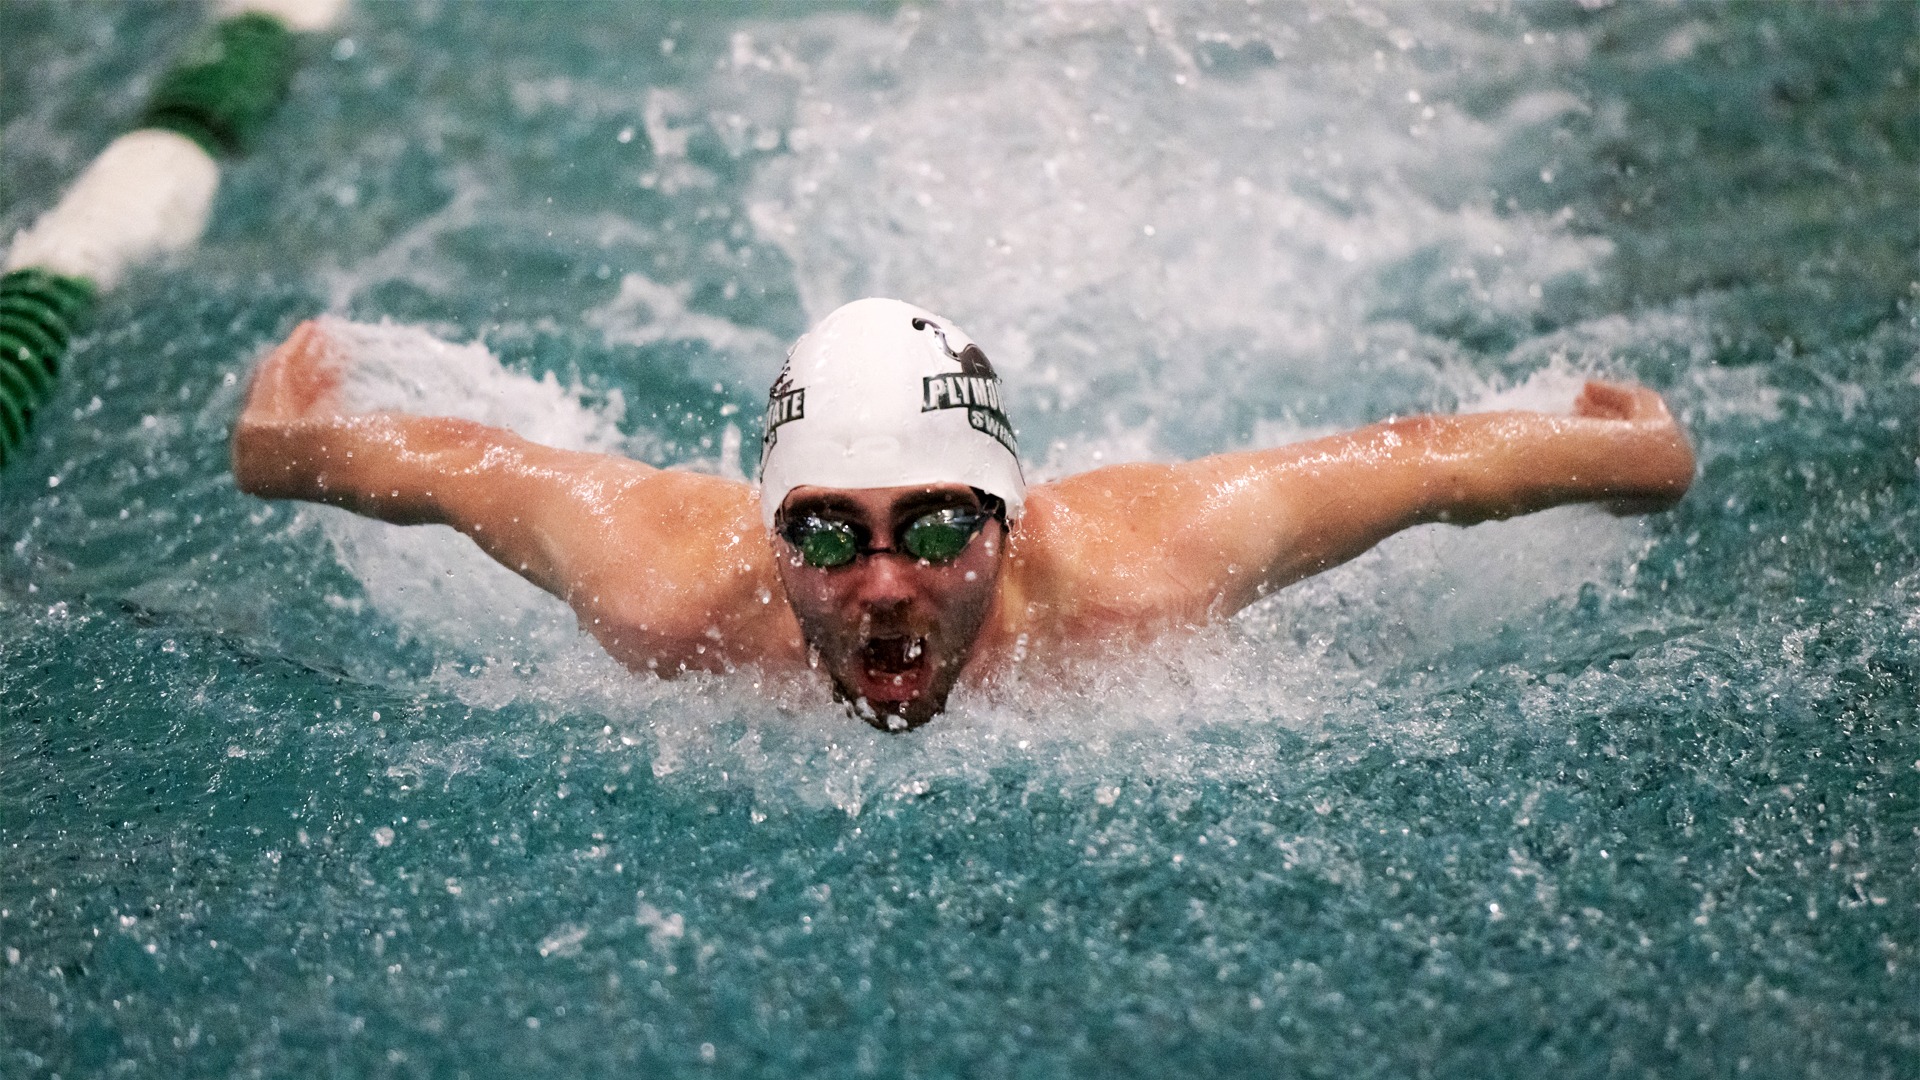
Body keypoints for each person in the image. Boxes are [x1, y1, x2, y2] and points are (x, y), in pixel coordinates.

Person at [231, 298, 1695, 730]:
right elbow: (451, 469)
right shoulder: (662, 585)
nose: (881, 584)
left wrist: (1643, 453)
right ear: (770, 530)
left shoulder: (1140, 571)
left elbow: (1424, 463)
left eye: (935, 530)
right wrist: (281, 444)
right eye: (826, 532)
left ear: (1011, 521)